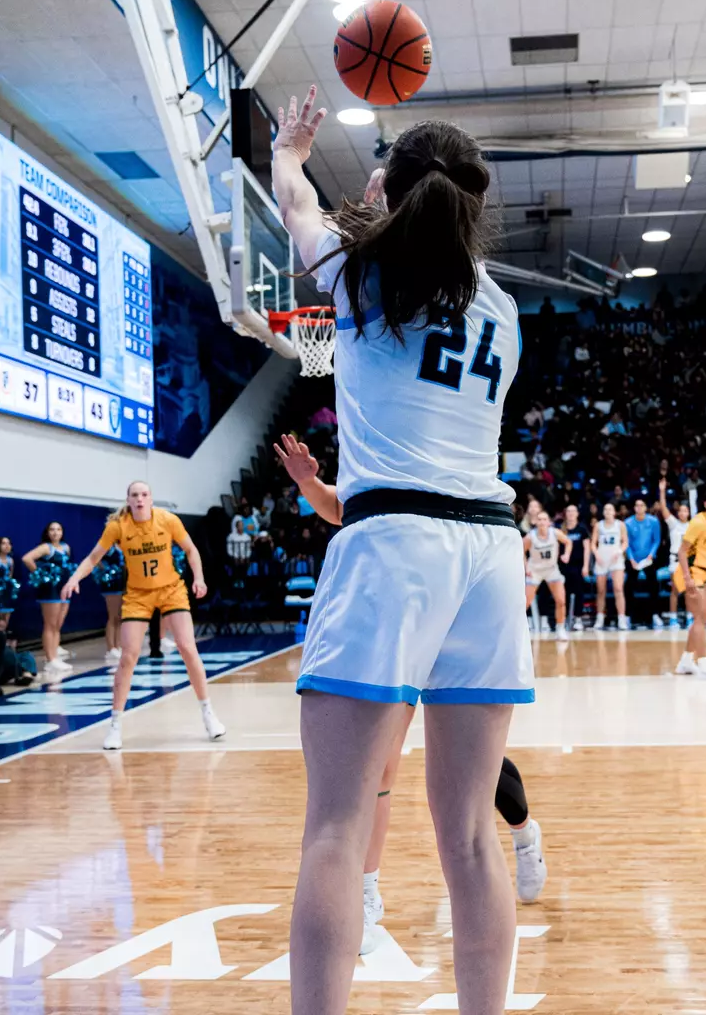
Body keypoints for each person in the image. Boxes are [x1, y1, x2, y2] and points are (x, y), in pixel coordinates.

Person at [272, 86, 535, 1015]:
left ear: (388, 186)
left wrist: (294, 151)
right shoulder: (503, 312)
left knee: (337, 829)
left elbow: (297, 205)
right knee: (469, 835)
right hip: (492, 558)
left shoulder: (359, 272)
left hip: (395, 546)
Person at [276, 433, 547, 955]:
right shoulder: (381, 457)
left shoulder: (455, 457)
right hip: (400, 595)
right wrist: (309, 483)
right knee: (380, 767)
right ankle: (367, 896)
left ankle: (523, 831)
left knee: (477, 775)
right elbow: (341, 509)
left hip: (463, 580)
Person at [60, 481, 225, 750]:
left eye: (144, 494)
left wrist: (199, 578)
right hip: (138, 594)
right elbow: (93, 558)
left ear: (151, 499)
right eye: (134, 495)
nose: (139, 499)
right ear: (128, 500)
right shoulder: (118, 526)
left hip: (171, 590)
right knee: (128, 657)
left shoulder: (167, 520)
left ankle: (208, 713)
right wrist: (74, 578)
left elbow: (191, 550)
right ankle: (115, 725)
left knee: (187, 647)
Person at [673, 487, 706, 680]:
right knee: (699, 619)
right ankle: (703, 664)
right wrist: (687, 579)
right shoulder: (698, 522)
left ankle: (686, 662)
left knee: (702, 618)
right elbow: (681, 552)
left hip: (703, 573)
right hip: (689, 572)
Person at [22, 523, 76, 679]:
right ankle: (50, 658)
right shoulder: (46, 547)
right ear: (47, 532)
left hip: (63, 588)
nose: (55, 532)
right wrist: (41, 575)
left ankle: (55, 656)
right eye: (52, 530)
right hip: (50, 589)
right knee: (50, 624)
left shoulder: (66, 547)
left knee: (57, 625)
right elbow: (27, 558)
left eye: (59, 529)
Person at [524, 511, 573, 641]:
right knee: (525, 602)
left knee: (561, 601)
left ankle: (560, 629)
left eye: (544, 519)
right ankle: (519, 630)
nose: (541, 522)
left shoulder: (555, 533)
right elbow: (521, 551)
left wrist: (566, 554)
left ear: (549, 522)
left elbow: (568, 542)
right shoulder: (530, 536)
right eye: (539, 519)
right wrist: (526, 566)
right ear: (536, 522)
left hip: (551, 569)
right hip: (535, 571)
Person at [625, 498, 663, 629]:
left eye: (642, 505)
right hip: (633, 559)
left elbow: (656, 540)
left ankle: (655, 614)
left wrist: (650, 555)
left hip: (649, 558)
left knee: (653, 585)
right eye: (637, 505)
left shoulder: (653, 521)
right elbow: (626, 543)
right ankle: (627, 616)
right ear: (634, 508)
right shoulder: (628, 523)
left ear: (646, 508)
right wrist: (631, 559)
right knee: (629, 585)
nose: (639, 507)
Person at [658, 479, 690, 629]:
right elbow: (663, 507)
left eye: (685, 510)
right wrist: (662, 491)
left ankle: (689, 617)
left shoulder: (692, 526)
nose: (683, 512)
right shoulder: (673, 524)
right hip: (675, 560)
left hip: (688, 562)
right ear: (678, 513)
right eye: (681, 510)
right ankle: (673, 618)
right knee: (675, 590)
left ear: (688, 513)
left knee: (690, 590)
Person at [591, 504, 629, 631]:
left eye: (610, 509)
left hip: (616, 559)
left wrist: (619, 552)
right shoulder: (598, 525)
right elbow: (593, 544)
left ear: (614, 512)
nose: (607, 511)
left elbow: (625, 542)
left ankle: (622, 619)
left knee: (618, 589)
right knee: (601, 591)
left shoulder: (620, 525)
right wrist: (596, 555)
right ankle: (600, 618)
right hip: (602, 559)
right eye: (605, 509)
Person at [91, 543, 126, 663]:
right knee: (113, 616)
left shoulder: (124, 543)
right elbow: (94, 558)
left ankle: (119, 645)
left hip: (124, 582)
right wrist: (106, 570)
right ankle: (111, 648)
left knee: (121, 616)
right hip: (111, 583)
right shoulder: (108, 544)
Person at [559, 504, 590, 632]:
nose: (571, 513)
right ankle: (565, 618)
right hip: (563, 567)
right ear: (566, 514)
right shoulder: (561, 529)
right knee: (563, 593)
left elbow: (587, 549)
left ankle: (577, 618)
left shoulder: (582, 529)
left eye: (573, 511)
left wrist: (586, 566)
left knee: (578, 592)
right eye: (569, 511)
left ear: (577, 514)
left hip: (578, 566)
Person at [0, 536, 19, 625]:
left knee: (5, 621)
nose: (7, 546)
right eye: (3, 543)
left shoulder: (10, 560)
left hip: (7, 593)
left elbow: (10, 576)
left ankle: (3, 636)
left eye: (9, 543)